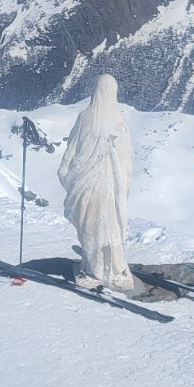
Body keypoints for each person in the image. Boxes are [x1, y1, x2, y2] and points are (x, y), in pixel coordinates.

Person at [58, 73, 135, 290]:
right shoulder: (120, 120)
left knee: (91, 227)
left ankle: (94, 269)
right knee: (112, 226)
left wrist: (66, 173)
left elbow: (71, 152)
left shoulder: (85, 117)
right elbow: (127, 158)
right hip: (112, 188)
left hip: (88, 185)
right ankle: (114, 269)